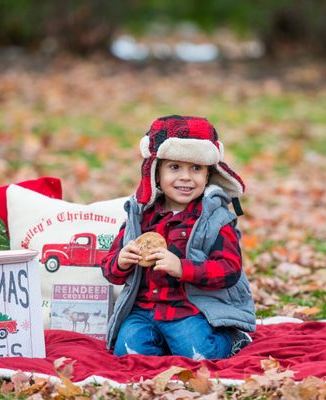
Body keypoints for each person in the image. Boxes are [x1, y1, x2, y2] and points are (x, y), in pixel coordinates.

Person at [101, 115, 256, 359]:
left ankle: (231, 339)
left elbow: (230, 270)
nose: (186, 177)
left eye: (196, 168)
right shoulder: (139, 216)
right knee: (128, 353)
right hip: (143, 310)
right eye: (175, 167)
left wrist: (183, 268)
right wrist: (121, 261)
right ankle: (163, 343)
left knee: (199, 355)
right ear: (156, 173)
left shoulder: (215, 219)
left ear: (208, 175)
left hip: (190, 309)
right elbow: (109, 269)